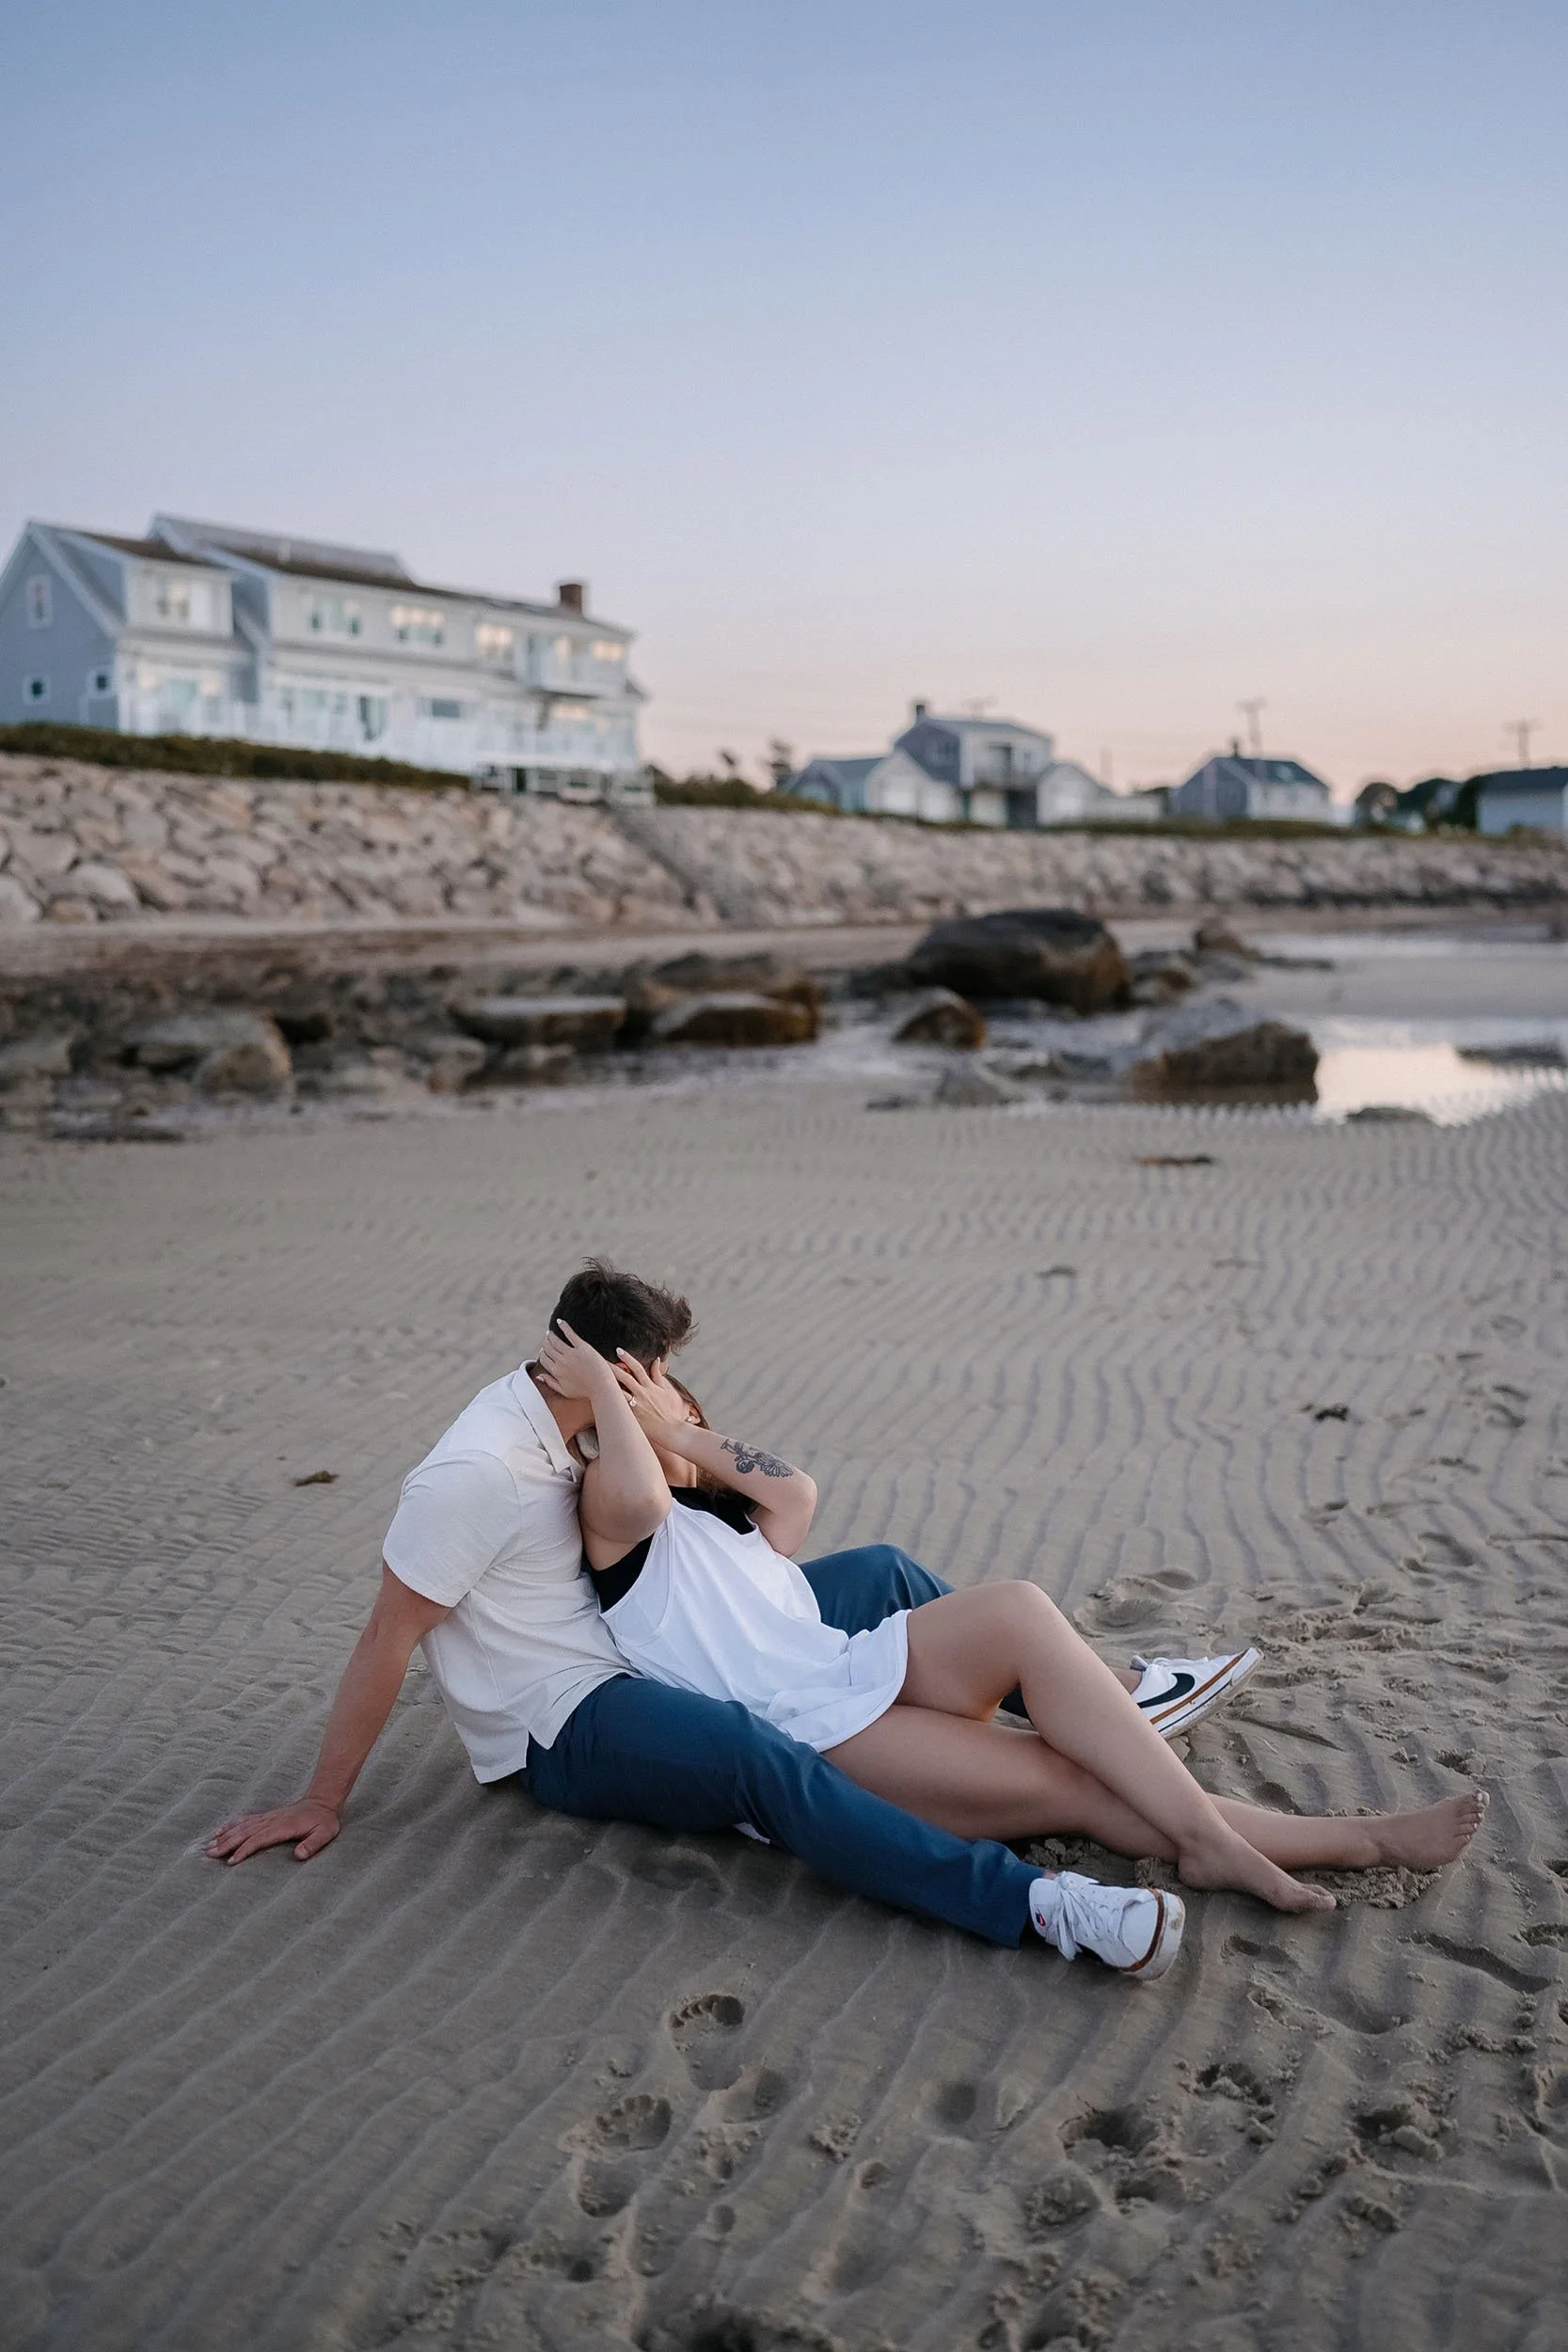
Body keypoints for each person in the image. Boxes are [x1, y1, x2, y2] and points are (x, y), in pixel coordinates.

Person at [552, 1320, 1487, 1976]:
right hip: (816, 1734)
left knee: (1016, 1609)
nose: (659, 1408)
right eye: (643, 1396)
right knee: (1066, 1779)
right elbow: (633, 1488)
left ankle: (1138, 1732)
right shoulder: (619, 1524)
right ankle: (1323, 1840)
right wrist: (607, 1393)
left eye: (666, 1391)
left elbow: (795, 1490)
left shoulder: (720, 1524)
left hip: (854, 1669)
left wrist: (679, 1429)